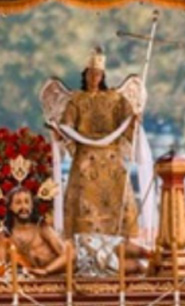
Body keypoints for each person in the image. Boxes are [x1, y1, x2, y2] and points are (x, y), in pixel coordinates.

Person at [55, 47, 139, 239]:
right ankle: (83, 247)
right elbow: (66, 125)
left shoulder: (115, 98)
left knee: (118, 201)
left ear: (103, 76)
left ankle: (118, 248)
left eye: (99, 74)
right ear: (85, 75)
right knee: (85, 204)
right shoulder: (76, 99)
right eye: (91, 74)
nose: (95, 78)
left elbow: (127, 121)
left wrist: (134, 120)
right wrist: (76, 137)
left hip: (111, 158)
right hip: (86, 159)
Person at [0, 186, 69, 277]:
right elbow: (0, 269)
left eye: (27, 202)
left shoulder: (41, 228)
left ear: (32, 205)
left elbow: (68, 255)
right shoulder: (2, 235)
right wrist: (4, 270)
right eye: (18, 203)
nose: (24, 207)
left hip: (56, 279)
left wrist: (46, 271)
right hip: (25, 284)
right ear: (9, 206)